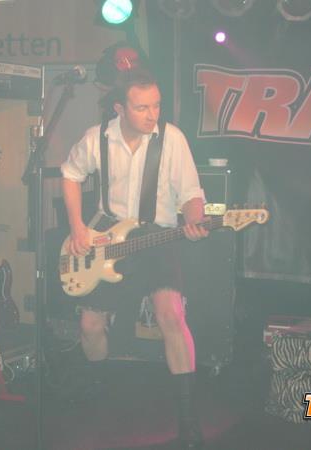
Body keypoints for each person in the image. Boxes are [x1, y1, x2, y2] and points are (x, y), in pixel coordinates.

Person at [60, 67, 208, 449]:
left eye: (156, 105)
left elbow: (191, 193)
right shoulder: (97, 138)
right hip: (108, 238)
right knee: (90, 326)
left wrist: (194, 219)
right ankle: (101, 392)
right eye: (142, 107)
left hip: (158, 236)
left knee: (171, 315)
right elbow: (70, 174)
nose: (152, 114)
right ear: (119, 108)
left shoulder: (172, 138)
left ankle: (188, 419)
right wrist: (77, 227)